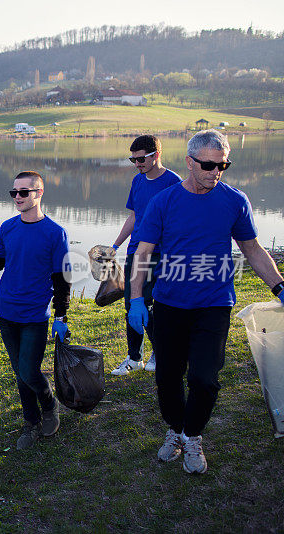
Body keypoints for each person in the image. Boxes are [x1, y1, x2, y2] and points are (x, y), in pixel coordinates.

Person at [129, 129, 284, 474]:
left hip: (213, 304)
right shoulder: (164, 201)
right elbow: (143, 253)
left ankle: (192, 436)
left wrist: (279, 286)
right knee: (168, 378)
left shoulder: (234, 200)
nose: (216, 172)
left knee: (205, 378)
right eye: (209, 165)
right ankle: (175, 429)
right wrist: (136, 299)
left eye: (223, 165)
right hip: (169, 304)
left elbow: (253, 250)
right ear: (189, 162)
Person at [0, 171, 71, 450]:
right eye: (14, 193)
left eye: (24, 192)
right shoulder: (8, 227)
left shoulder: (55, 233)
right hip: (6, 310)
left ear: (39, 193)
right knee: (19, 372)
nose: (18, 198)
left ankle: (49, 404)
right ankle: (30, 423)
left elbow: (62, 279)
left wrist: (61, 316)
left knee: (28, 370)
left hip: (35, 314)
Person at [110, 135, 181, 375]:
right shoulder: (138, 181)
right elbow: (134, 216)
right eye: (133, 159)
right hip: (136, 251)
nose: (137, 163)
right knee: (132, 304)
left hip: (162, 253)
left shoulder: (174, 183)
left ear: (156, 155)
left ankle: (161, 353)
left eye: (141, 159)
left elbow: (180, 222)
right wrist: (116, 246)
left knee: (153, 304)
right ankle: (134, 358)